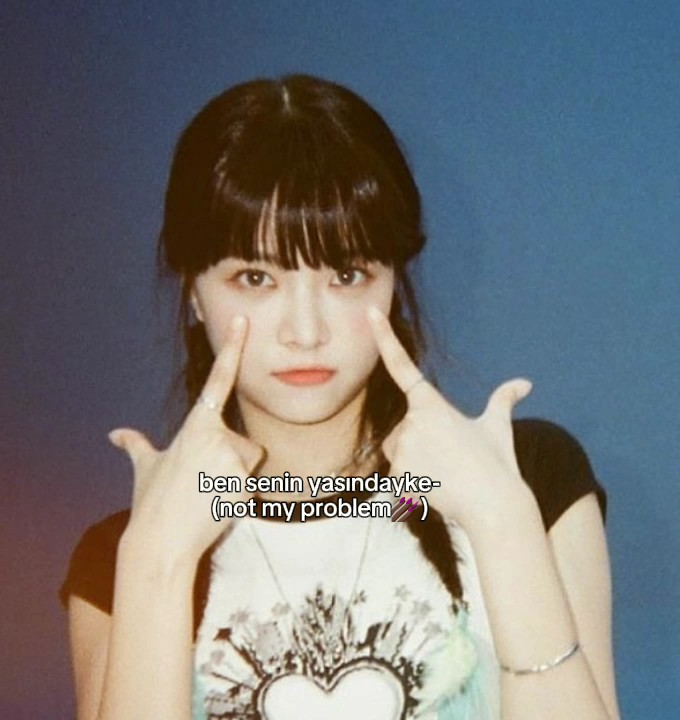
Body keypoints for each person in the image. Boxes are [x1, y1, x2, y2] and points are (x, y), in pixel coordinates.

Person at [59, 74, 620, 720]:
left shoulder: (525, 479)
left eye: (346, 274)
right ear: (194, 292)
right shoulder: (129, 552)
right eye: (255, 278)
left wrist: (500, 521)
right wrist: (156, 563)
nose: (305, 332)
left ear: (392, 280)